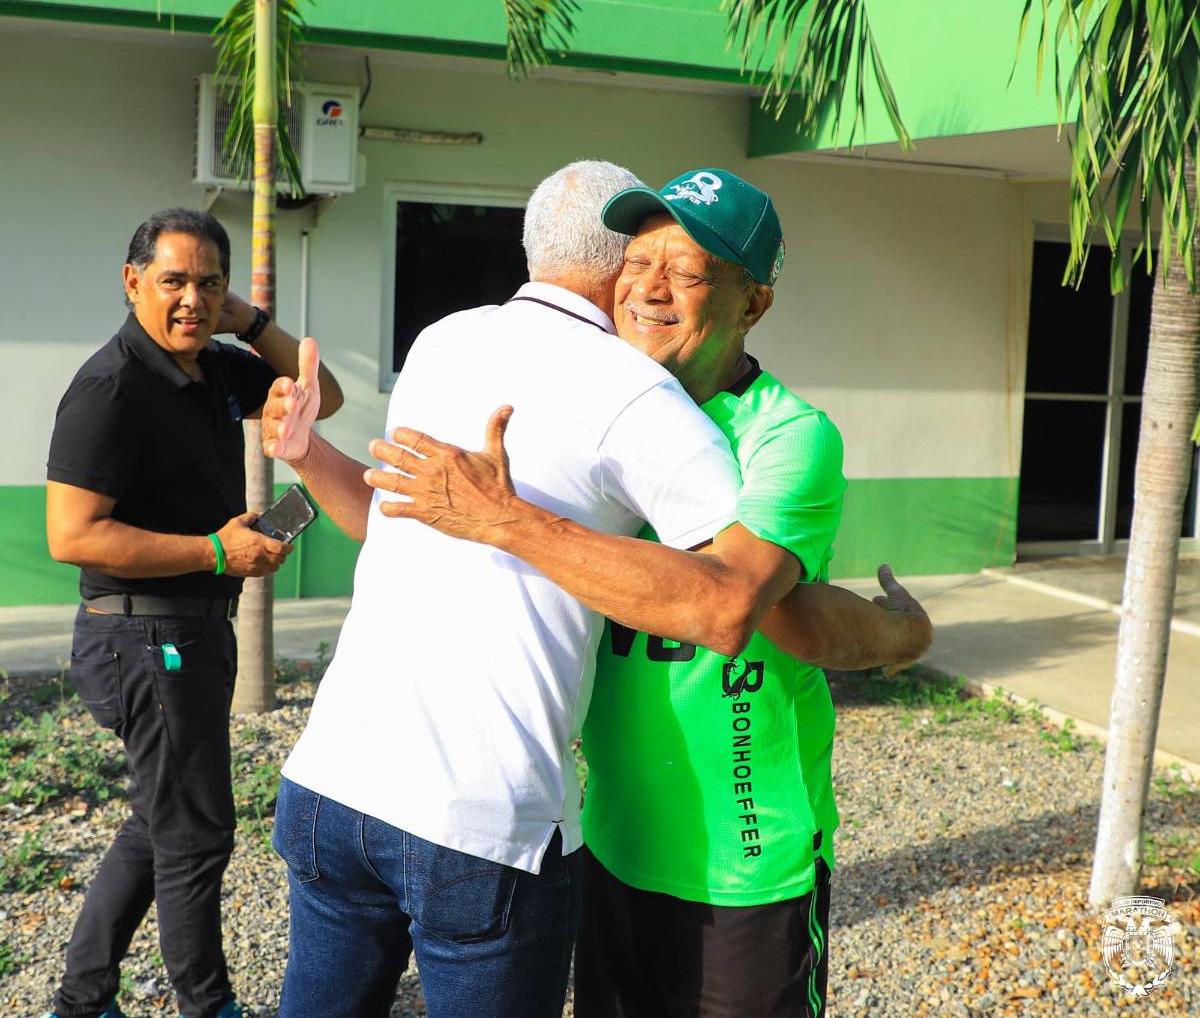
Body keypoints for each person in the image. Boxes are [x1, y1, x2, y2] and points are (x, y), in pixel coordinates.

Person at [261, 161, 929, 1018]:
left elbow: (744, 609)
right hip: (610, 838)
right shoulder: (591, 387)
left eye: (685, 272)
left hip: (736, 855)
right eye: (637, 260)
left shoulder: (785, 437)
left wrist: (901, 637)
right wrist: (314, 456)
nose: (648, 289)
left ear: (753, 301)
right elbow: (421, 520)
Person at [42, 208, 343, 1018]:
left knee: (159, 818)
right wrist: (217, 553)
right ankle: (208, 1008)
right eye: (173, 281)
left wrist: (249, 321)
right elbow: (72, 534)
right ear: (132, 280)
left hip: (188, 629)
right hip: (145, 634)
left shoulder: (211, 366)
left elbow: (328, 397)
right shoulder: (112, 389)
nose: (192, 300)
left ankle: (81, 1000)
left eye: (210, 284)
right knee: (196, 835)